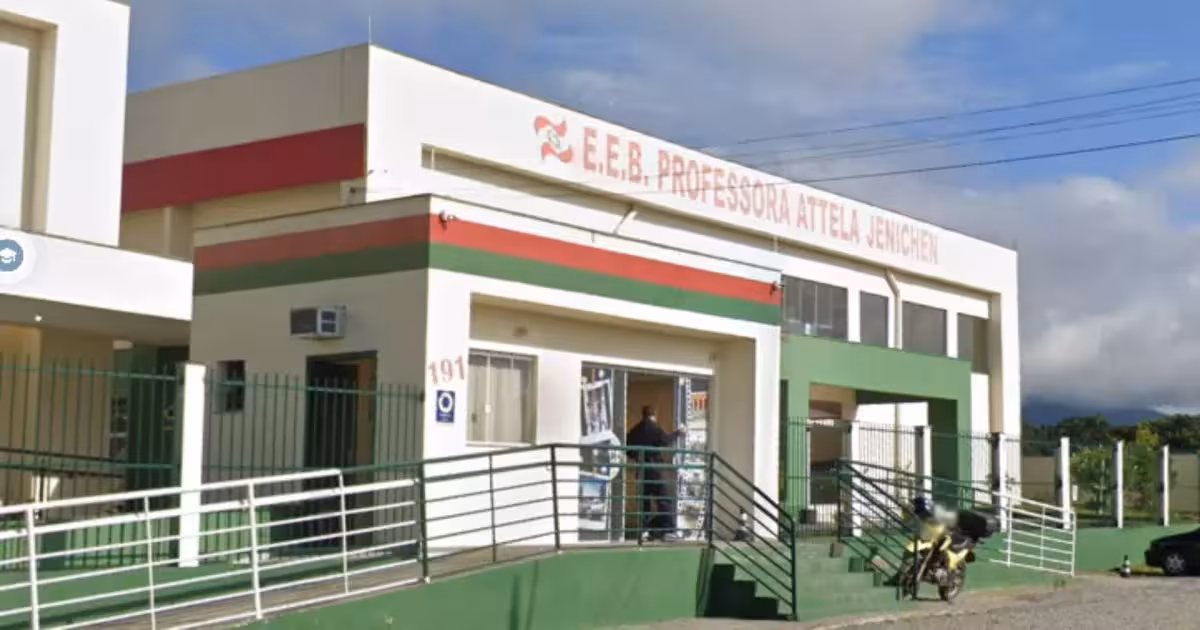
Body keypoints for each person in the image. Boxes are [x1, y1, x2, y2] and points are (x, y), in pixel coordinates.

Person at [626, 405, 685, 541]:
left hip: (641, 470)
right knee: (664, 500)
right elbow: (665, 440)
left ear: (643, 415)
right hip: (654, 470)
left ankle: (645, 531)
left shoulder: (634, 430)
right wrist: (678, 433)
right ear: (654, 415)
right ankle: (668, 531)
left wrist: (638, 456)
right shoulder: (654, 427)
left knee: (644, 502)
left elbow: (629, 451)